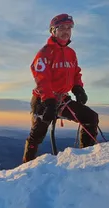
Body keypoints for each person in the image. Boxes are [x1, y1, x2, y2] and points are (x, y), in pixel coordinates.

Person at [22, 13, 99, 163]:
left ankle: (87, 158)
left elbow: (76, 72)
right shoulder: (44, 53)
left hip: (62, 99)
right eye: (61, 27)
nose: (66, 30)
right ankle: (25, 168)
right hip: (43, 99)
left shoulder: (71, 53)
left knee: (91, 118)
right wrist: (48, 102)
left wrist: (78, 88)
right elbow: (41, 78)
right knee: (36, 135)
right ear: (53, 31)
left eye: (69, 27)